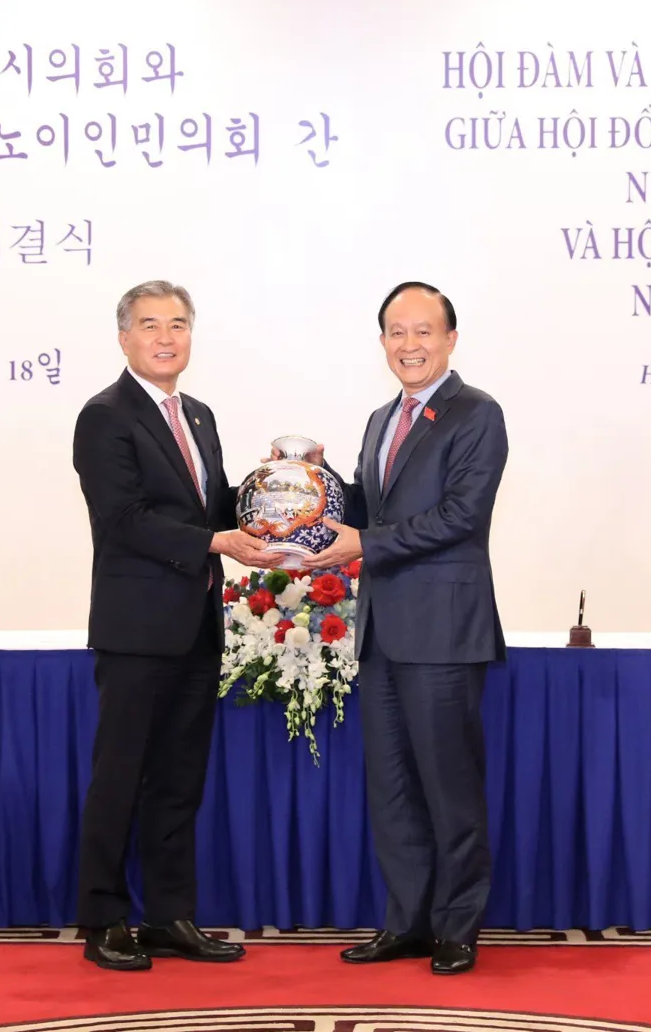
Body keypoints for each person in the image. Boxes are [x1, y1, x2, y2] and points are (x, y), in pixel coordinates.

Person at [302, 281, 509, 976]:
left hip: (444, 632)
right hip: (383, 631)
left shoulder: (476, 413)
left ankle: (457, 927)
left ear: (451, 339)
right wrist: (320, 484)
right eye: (397, 331)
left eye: (424, 331)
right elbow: (374, 507)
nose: (410, 344)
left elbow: (461, 516)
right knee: (392, 790)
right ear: (383, 341)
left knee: (449, 788)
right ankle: (407, 923)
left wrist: (365, 542)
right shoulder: (381, 418)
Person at [71, 279, 274, 972]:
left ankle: (168, 916)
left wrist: (281, 487)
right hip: (136, 631)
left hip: (196, 626)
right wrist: (215, 542)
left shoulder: (199, 416)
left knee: (179, 780)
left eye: (178, 324)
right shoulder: (105, 416)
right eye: (151, 325)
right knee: (120, 777)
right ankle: (102, 918)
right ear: (123, 337)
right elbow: (124, 519)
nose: (166, 337)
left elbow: (210, 506)